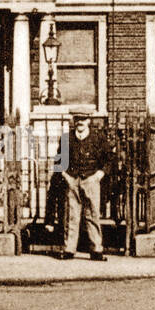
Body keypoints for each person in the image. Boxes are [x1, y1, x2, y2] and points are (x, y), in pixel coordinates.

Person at [55, 110, 113, 261]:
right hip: (72, 180)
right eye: (77, 119)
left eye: (83, 119)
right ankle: (69, 249)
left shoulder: (98, 138)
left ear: (88, 121)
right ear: (74, 121)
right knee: (71, 215)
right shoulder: (66, 138)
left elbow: (109, 159)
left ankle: (96, 249)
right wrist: (65, 175)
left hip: (91, 180)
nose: (80, 122)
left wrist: (99, 175)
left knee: (92, 214)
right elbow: (59, 160)